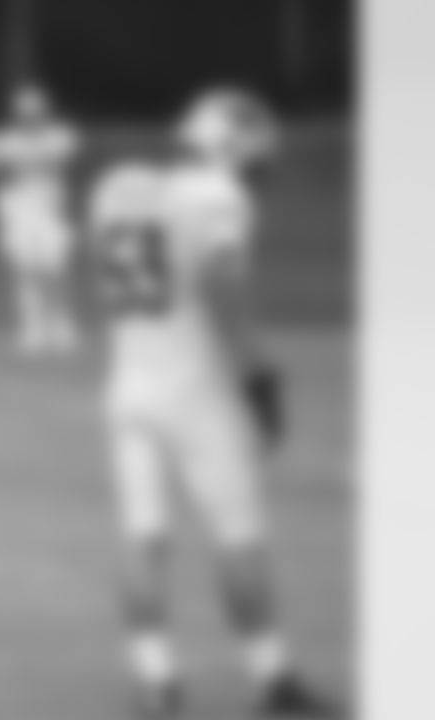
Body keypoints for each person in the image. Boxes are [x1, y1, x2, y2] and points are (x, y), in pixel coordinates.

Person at [87, 89, 335, 718]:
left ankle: (155, 677)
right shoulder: (216, 196)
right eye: (256, 160)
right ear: (233, 148)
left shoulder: (119, 189)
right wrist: (258, 376)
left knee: (142, 536)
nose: (259, 174)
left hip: (128, 384)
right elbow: (222, 284)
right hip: (193, 391)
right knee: (238, 536)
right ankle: (271, 676)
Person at [0, 84, 82, 355]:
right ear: (17, 115)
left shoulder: (60, 136)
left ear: (44, 112)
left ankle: (61, 326)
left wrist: (15, 157)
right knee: (24, 271)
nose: (30, 118)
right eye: (25, 114)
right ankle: (32, 328)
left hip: (50, 207)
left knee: (55, 269)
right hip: (18, 207)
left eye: (35, 113)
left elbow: (57, 161)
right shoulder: (7, 140)